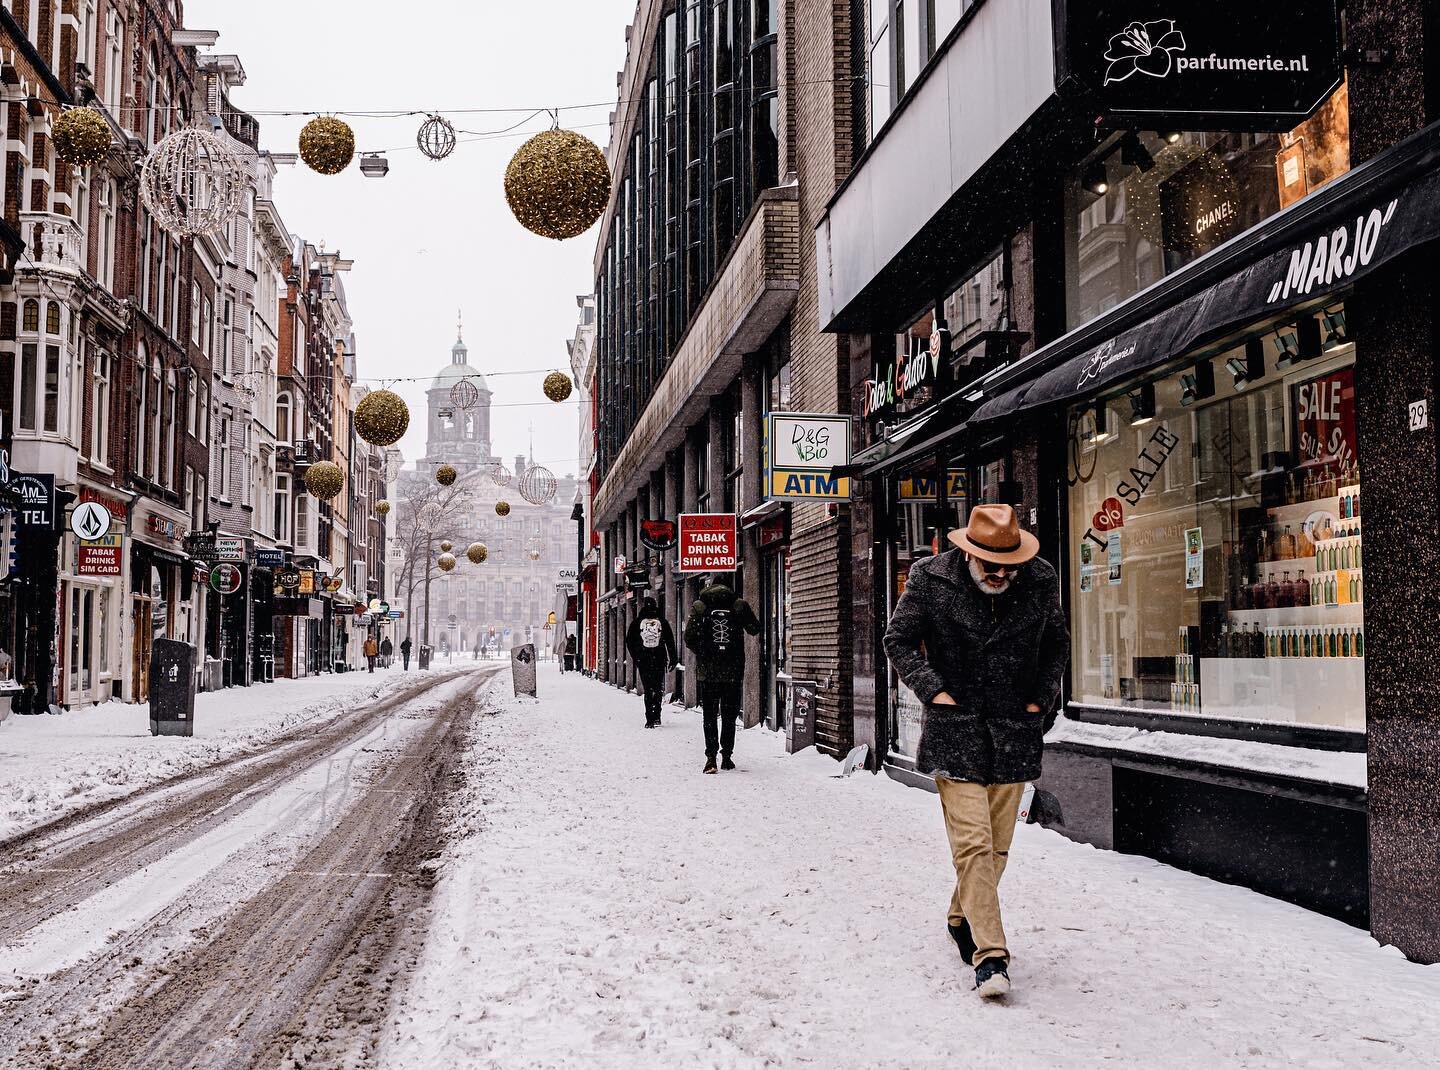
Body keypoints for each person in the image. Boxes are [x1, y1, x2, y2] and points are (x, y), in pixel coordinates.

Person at [883, 504, 1068, 1001]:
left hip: (1013, 728)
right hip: (955, 728)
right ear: (969, 554)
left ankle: (961, 915)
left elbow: (1056, 645)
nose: (1003, 574)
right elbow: (897, 641)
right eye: (992, 566)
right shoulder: (929, 578)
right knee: (973, 845)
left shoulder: (1040, 579)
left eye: (1010, 565)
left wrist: (1040, 699)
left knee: (998, 847)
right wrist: (934, 691)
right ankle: (991, 957)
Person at [683, 578, 760, 773]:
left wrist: (703, 652)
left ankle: (711, 757)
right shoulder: (738, 604)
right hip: (732, 671)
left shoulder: (700, 605)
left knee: (709, 715)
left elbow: (689, 638)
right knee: (729, 715)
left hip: (707, 673)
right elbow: (754, 628)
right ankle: (727, 756)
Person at [626, 597, 678, 729]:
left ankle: (649, 718)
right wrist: (673, 658)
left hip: (643, 660)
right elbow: (670, 641)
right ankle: (657, 716)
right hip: (659, 659)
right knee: (657, 688)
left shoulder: (637, 622)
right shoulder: (662, 621)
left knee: (648, 689)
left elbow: (629, 641)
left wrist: (636, 656)